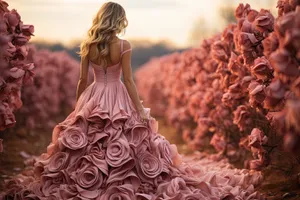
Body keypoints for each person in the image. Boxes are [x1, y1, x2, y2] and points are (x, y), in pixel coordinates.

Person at [0, 2, 264, 199]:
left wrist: (78, 106)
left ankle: (94, 180)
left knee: (91, 141)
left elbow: (82, 80)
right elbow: (128, 80)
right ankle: (120, 179)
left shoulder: (88, 45)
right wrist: (139, 110)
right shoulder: (124, 46)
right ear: (119, 21)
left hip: (94, 93)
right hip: (117, 94)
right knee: (122, 139)